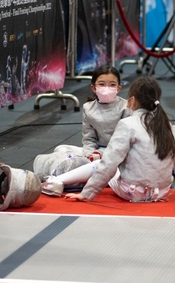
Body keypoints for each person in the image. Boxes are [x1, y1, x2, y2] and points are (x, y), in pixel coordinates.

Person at [65, 77, 175, 202]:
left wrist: (86, 193)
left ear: (132, 100)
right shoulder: (166, 124)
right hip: (162, 191)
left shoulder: (127, 124)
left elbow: (109, 163)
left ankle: (56, 181)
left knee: (101, 163)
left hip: (133, 192)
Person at [36, 66, 131, 194]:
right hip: (96, 154)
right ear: (94, 87)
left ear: (118, 88)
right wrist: (90, 154)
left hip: (117, 157)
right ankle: (73, 173)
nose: (106, 88)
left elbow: (124, 143)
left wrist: (101, 155)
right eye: (102, 84)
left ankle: (58, 179)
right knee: (61, 148)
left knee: (101, 164)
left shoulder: (126, 107)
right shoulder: (88, 108)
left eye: (112, 84)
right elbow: (89, 138)